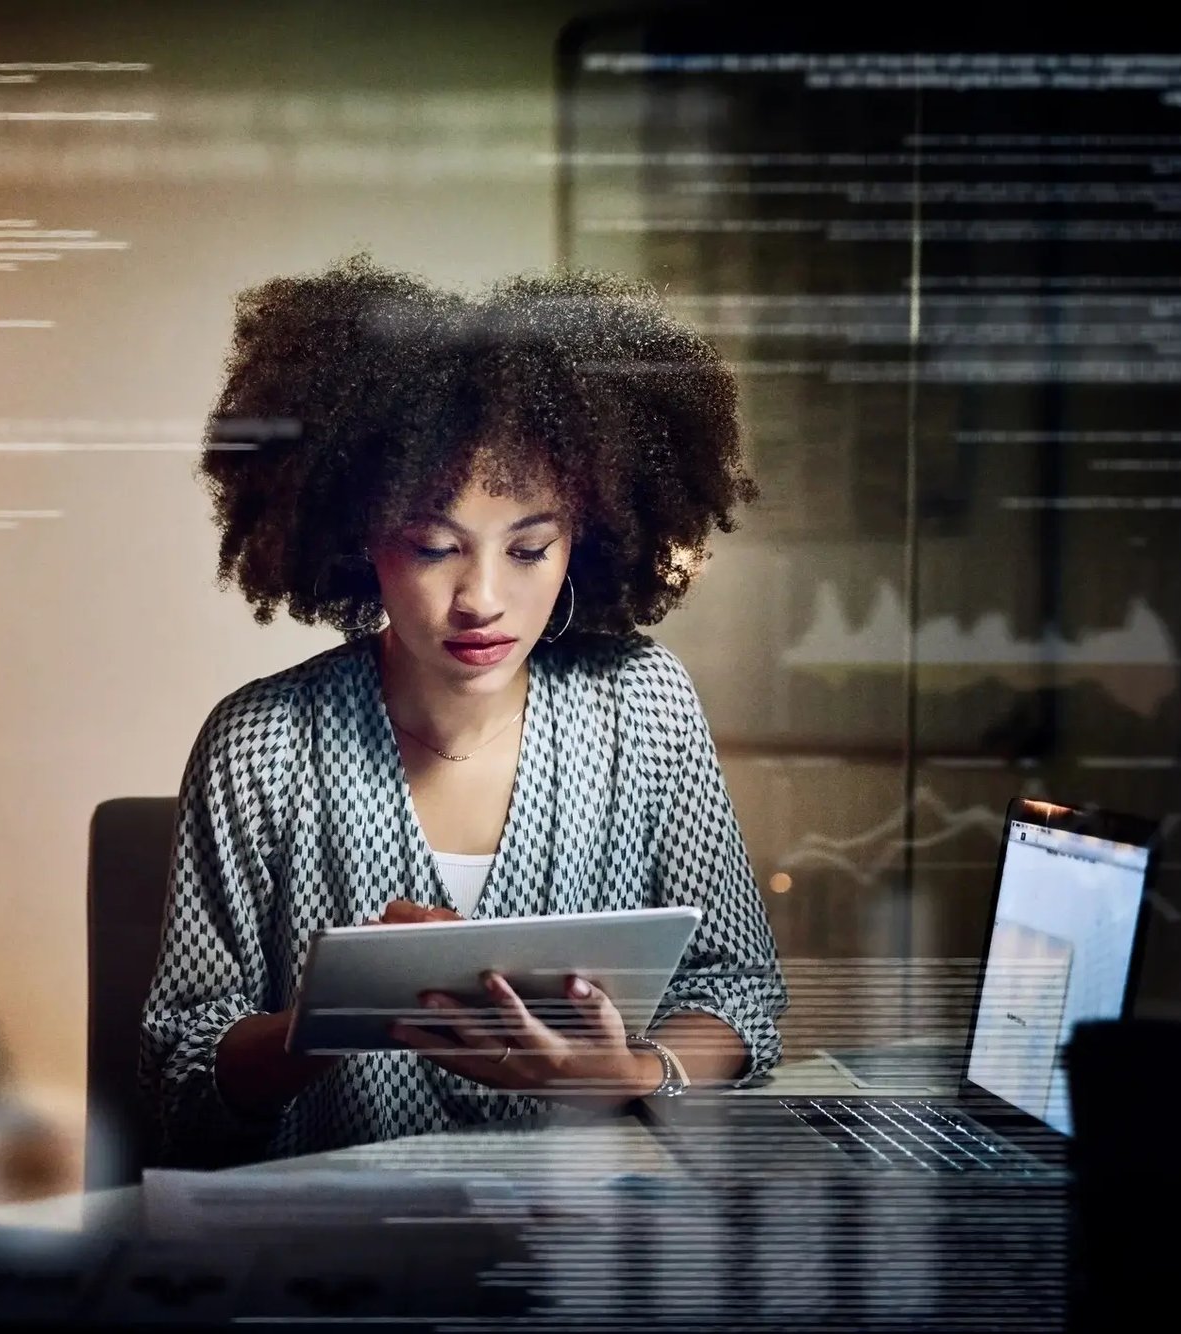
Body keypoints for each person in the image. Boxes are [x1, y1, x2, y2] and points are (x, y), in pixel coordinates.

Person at [137, 252, 788, 1168]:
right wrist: (330, 1016)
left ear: (585, 543)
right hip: (336, 1260)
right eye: (435, 546)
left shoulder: (643, 704)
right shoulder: (260, 744)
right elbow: (181, 1084)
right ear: (361, 543)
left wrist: (632, 1072)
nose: (481, 597)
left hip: (583, 1248)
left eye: (529, 549)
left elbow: (741, 990)